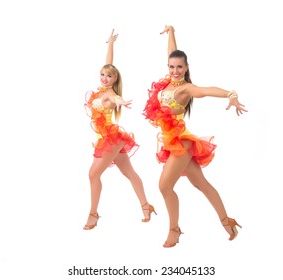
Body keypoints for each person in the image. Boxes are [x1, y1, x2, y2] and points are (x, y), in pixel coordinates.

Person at [143, 25, 248, 247]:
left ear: (186, 67)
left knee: (164, 186)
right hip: (173, 142)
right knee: (201, 184)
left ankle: (174, 230)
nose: (174, 71)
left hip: (180, 142)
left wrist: (231, 94)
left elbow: (207, 90)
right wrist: (171, 32)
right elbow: (172, 51)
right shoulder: (168, 81)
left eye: (179, 67)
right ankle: (226, 221)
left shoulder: (186, 89)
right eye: (171, 67)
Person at [83, 29, 156, 230]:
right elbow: (110, 64)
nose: (105, 78)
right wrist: (111, 44)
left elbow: (115, 98)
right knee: (129, 173)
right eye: (102, 74)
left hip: (111, 139)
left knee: (93, 175)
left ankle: (93, 214)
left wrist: (121, 101)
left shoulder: (110, 94)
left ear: (115, 80)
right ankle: (146, 205)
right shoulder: (102, 90)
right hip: (110, 137)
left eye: (109, 76)